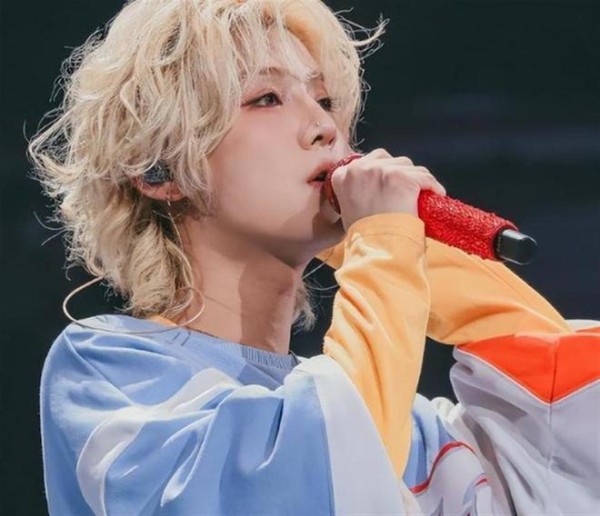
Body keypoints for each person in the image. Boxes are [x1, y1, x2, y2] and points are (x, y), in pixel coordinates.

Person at [29, 0, 599, 514]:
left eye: (324, 100)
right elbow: (300, 483)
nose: (325, 127)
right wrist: (382, 245)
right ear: (161, 171)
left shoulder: (413, 428)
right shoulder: (108, 374)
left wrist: (411, 253)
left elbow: (567, 452)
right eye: (266, 98)